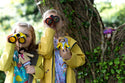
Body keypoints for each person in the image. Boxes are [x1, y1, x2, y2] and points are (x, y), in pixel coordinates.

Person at [38, 9, 85, 83]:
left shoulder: (69, 41)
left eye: (56, 19)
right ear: (44, 23)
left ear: (63, 22)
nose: (53, 22)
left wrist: (70, 57)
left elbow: (81, 60)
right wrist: (49, 30)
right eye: (49, 20)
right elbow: (46, 53)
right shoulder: (43, 42)